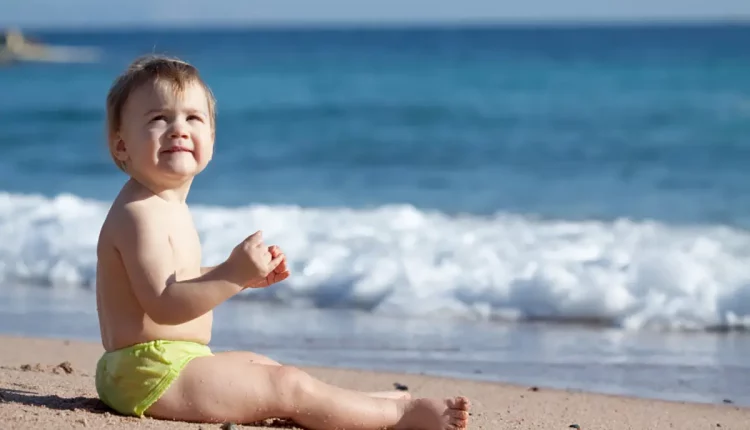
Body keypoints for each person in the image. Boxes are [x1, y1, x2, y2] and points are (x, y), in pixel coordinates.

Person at [94, 54, 471, 429]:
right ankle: (399, 416)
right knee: (285, 385)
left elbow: (176, 280)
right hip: (147, 375)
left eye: (193, 118)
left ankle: (359, 405)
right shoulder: (138, 213)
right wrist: (232, 273)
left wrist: (237, 277)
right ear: (122, 145)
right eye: (159, 119)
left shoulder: (161, 204)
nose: (178, 129)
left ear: (211, 137)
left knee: (265, 367)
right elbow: (163, 305)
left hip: (167, 364)